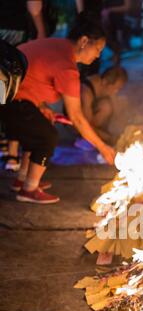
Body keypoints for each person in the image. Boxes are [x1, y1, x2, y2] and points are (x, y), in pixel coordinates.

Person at [0, 12, 116, 204]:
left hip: (8, 95)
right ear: (84, 41)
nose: (98, 55)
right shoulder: (67, 67)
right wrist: (103, 148)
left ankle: (22, 180)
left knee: (39, 126)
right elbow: (77, 117)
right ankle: (29, 189)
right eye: (98, 49)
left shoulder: (57, 45)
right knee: (47, 137)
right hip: (9, 100)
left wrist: (42, 105)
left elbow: (33, 74)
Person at [0, 0, 46, 171]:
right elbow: (34, 6)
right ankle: (11, 151)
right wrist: (41, 31)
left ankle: (5, 144)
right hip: (14, 34)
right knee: (10, 90)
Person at [80, 66, 128, 145]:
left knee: (109, 105)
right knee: (106, 107)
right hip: (74, 123)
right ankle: (86, 140)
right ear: (105, 82)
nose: (116, 92)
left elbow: (119, 111)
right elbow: (86, 125)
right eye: (115, 88)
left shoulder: (105, 86)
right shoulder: (86, 93)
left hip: (91, 117)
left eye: (119, 89)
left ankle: (97, 137)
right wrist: (108, 138)